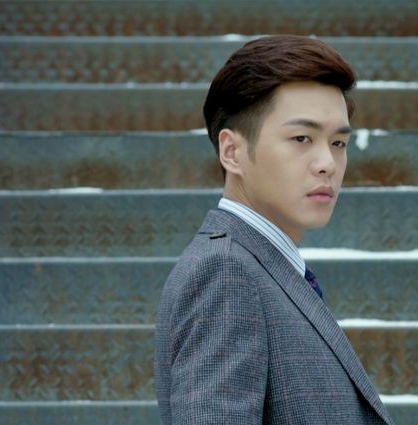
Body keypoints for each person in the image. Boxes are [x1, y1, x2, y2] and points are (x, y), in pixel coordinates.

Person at [155, 34, 394, 424]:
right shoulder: (226, 273)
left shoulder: (263, 268)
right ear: (232, 151)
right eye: (301, 138)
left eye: (338, 142)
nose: (327, 163)